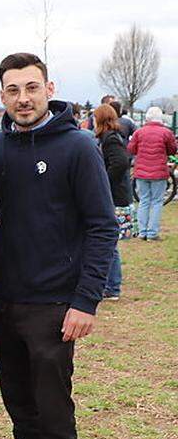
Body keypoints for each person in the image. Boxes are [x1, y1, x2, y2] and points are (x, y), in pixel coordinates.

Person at [0, 52, 117, 439]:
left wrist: (86, 301)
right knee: (18, 400)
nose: (24, 98)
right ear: (2, 96)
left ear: (49, 88)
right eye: (14, 90)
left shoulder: (78, 147)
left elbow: (103, 226)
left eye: (32, 87)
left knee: (52, 403)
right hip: (5, 299)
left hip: (57, 303)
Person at [92, 104, 133, 301]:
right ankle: (109, 285)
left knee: (110, 244)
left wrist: (103, 183)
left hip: (115, 197)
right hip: (116, 195)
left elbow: (120, 163)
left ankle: (112, 287)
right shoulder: (110, 137)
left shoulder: (110, 139)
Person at [128, 106, 177, 241]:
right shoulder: (166, 132)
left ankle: (142, 232)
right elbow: (172, 150)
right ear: (160, 118)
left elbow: (131, 149)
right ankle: (152, 233)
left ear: (148, 117)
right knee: (156, 202)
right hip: (159, 172)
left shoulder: (139, 132)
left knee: (143, 201)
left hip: (141, 171)